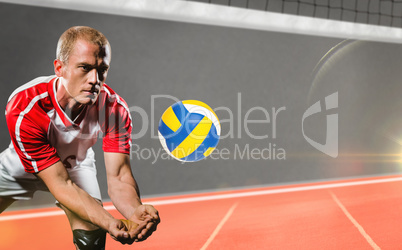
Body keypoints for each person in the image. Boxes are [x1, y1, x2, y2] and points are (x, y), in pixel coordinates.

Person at [0, 26, 160, 249]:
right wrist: (108, 220)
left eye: (102, 69)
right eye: (84, 67)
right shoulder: (25, 105)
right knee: (100, 219)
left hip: (76, 168)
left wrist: (135, 211)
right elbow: (59, 183)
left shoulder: (114, 108)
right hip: (20, 168)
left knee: (92, 239)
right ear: (60, 68)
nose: (95, 79)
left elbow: (119, 176)